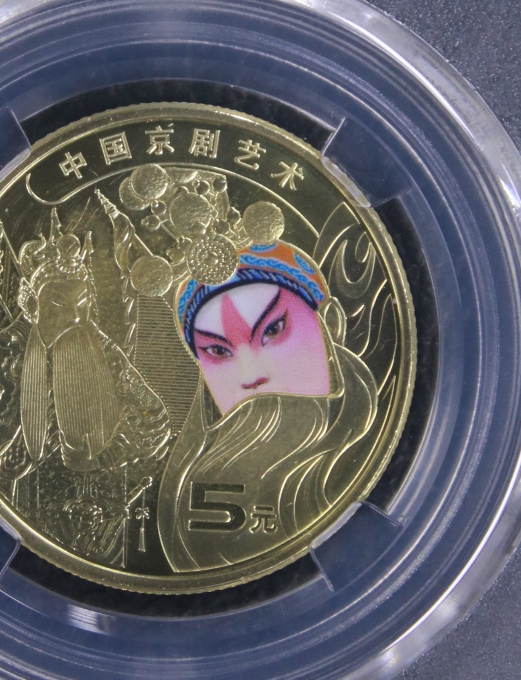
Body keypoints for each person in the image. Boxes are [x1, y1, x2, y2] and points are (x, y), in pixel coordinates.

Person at [157, 241, 377, 574]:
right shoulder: (184, 512)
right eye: (218, 352)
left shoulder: (386, 473)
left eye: (273, 330)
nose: (251, 376)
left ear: (330, 325)